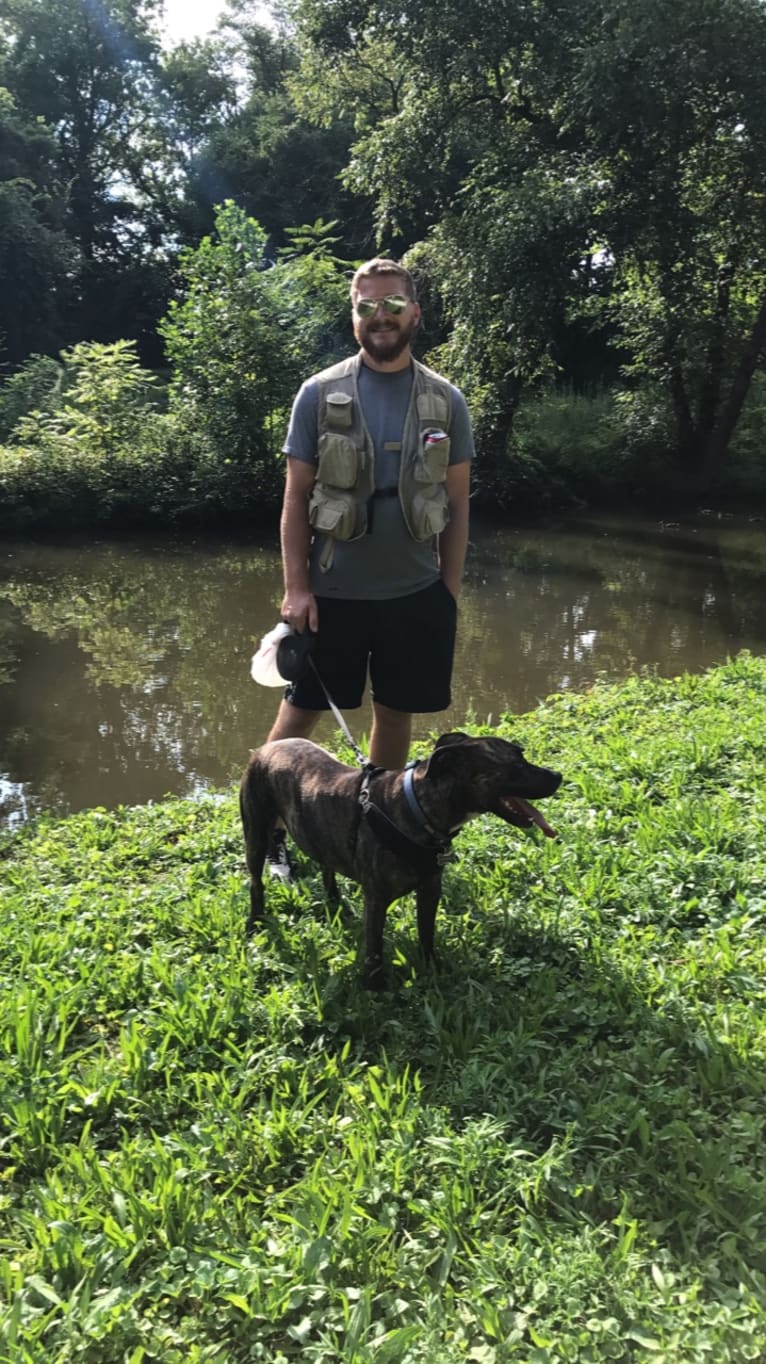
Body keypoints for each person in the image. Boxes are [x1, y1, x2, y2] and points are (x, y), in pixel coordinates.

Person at [265, 257, 474, 878]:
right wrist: (297, 586)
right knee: (301, 712)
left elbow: (459, 504)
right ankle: (271, 826)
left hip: (414, 591)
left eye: (391, 304)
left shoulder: (447, 400)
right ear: (352, 314)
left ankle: (378, 824)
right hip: (332, 593)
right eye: (365, 305)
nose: (378, 316)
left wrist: (448, 590)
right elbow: (296, 497)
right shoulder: (319, 392)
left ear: (414, 312)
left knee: (395, 711)